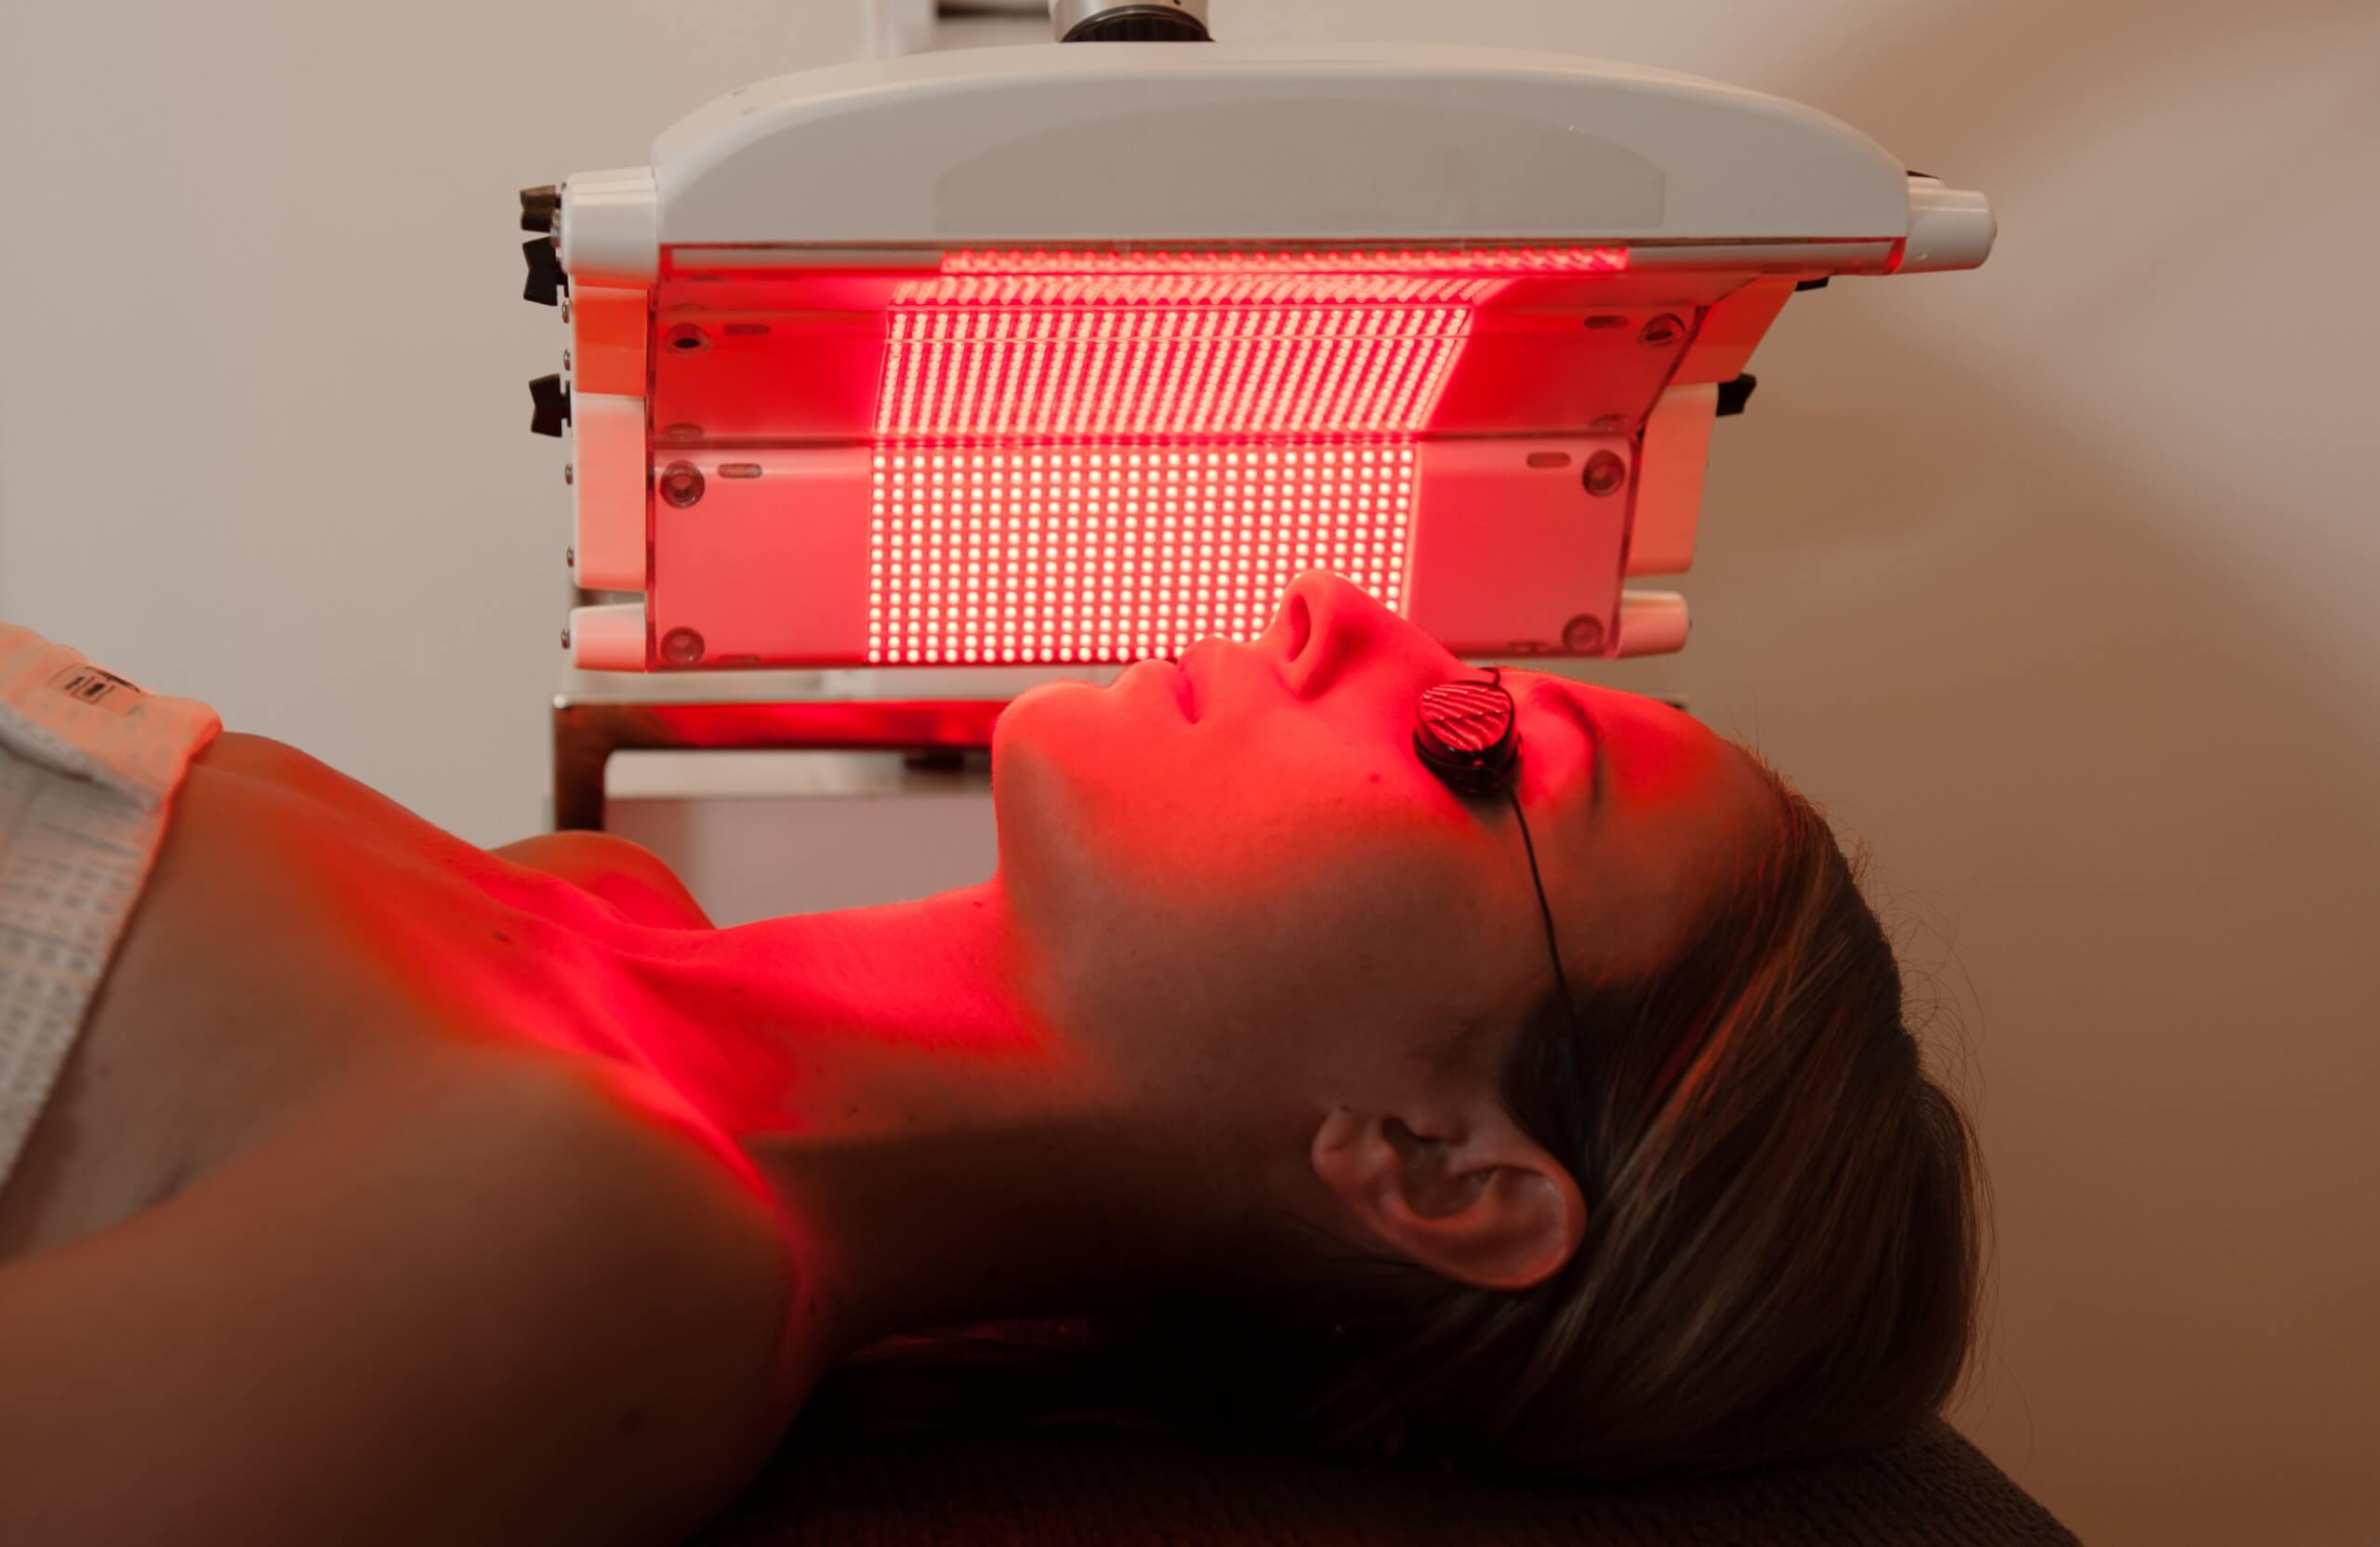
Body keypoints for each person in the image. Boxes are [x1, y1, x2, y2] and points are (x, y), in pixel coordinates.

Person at [0, 570, 1982, 1543]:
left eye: (1474, 749)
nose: (1337, 609)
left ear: (1433, 1167)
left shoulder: (603, 1238)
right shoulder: (603, 905)